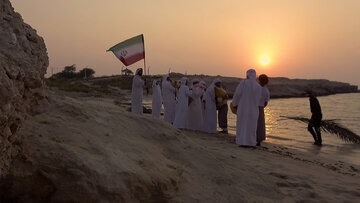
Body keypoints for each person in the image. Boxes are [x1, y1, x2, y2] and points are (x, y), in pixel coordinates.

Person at [232, 69, 262, 147]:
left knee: (242, 125)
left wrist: (234, 104)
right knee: (251, 127)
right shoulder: (258, 86)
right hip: (254, 110)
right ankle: (251, 142)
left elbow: (237, 94)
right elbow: (259, 100)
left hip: (243, 108)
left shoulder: (243, 83)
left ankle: (242, 141)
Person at [256, 74, 270, 146]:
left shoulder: (256, 87)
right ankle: (259, 140)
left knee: (253, 123)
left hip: (254, 106)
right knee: (260, 125)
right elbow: (266, 102)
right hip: (261, 107)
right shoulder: (266, 90)